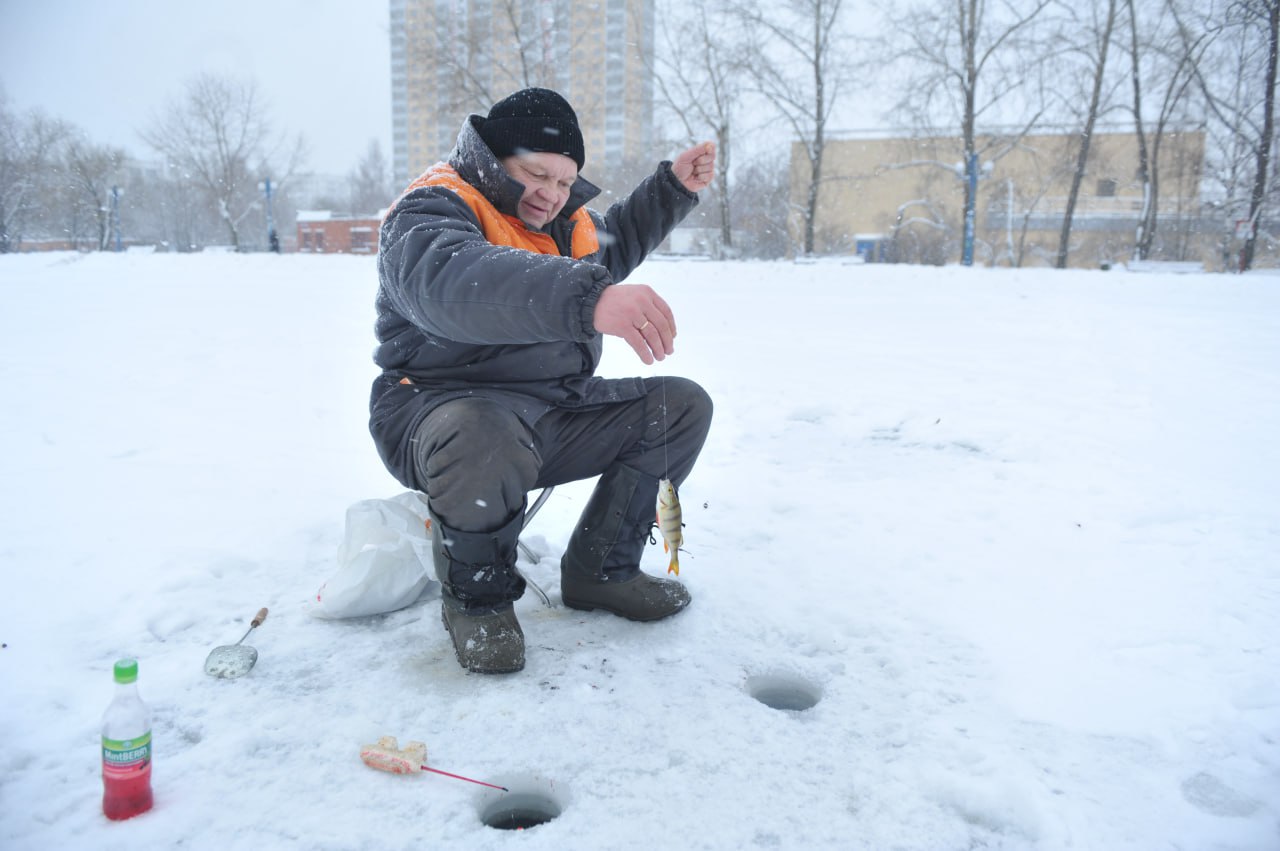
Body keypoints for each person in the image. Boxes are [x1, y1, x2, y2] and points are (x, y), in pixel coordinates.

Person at [370, 87, 716, 674]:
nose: (551, 195)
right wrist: (590, 297)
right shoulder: (431, 209)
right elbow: (451, 284)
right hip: (441, 412)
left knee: (679, 406)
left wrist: (673, 188)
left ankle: (602, 571)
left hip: (551, 410)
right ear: (492, 158)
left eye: (564, 182)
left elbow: (618, 238)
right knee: (482, 429)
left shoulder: (565, 223)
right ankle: (477, 601)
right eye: (536, 174)